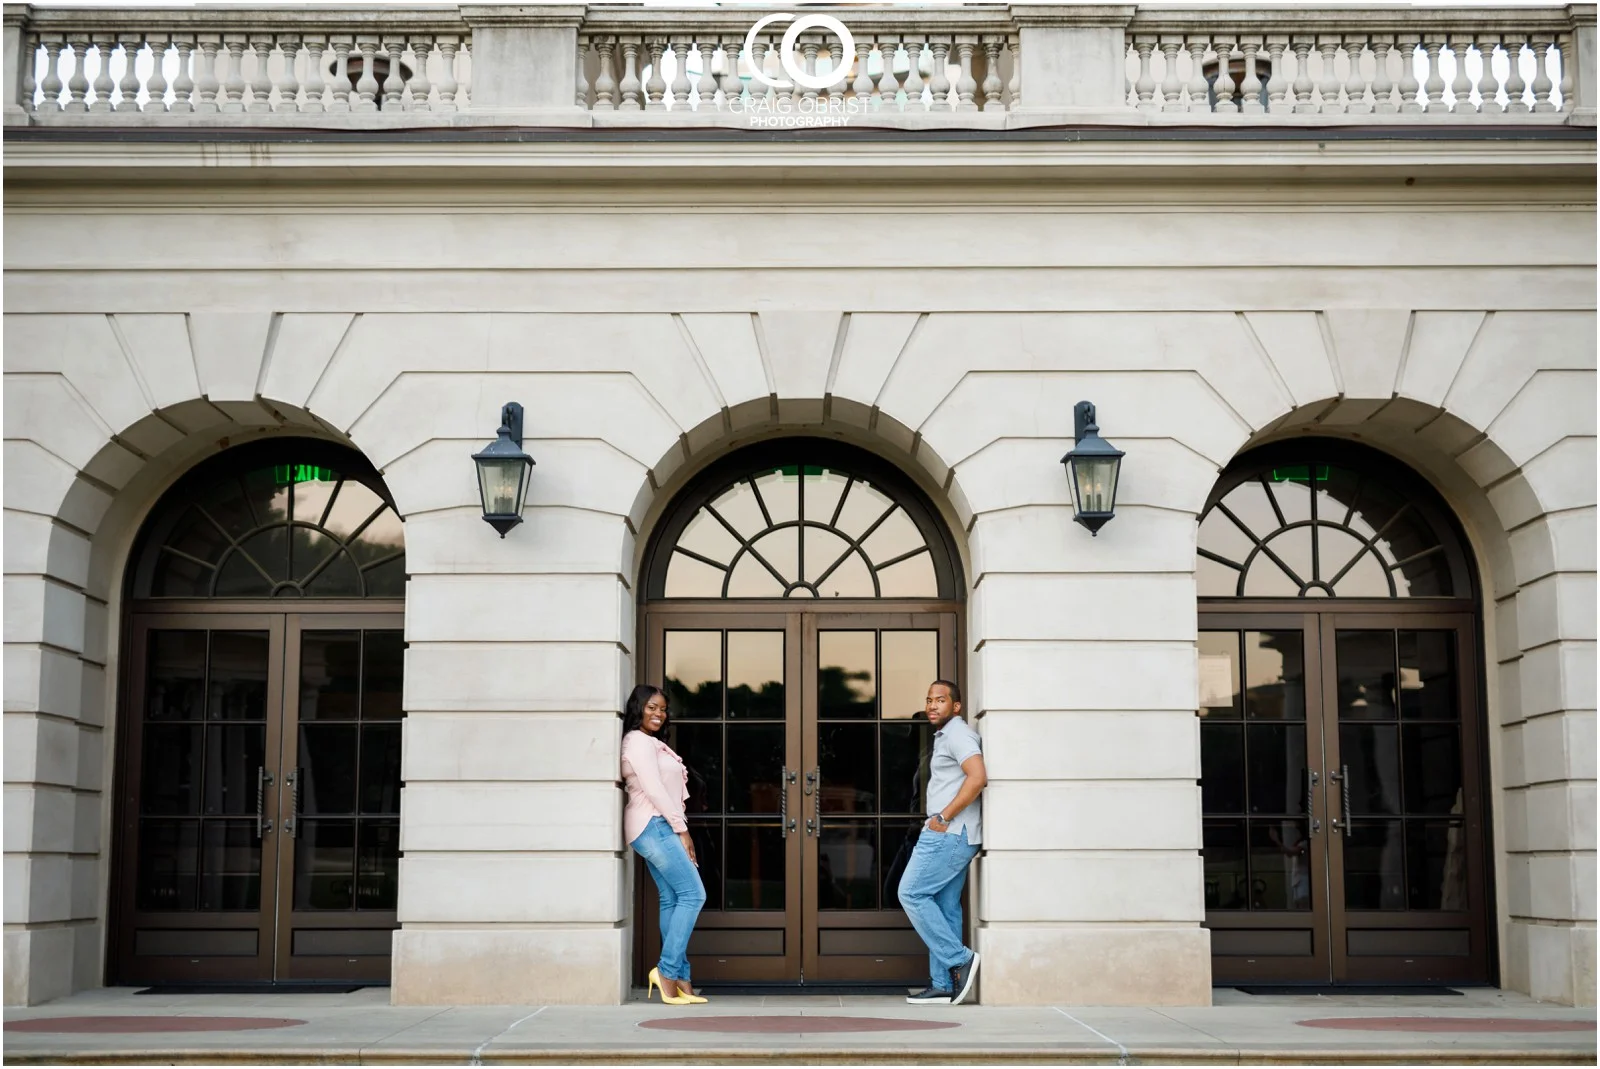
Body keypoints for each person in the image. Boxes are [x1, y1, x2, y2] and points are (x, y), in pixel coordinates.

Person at [898, 679, 986, 1006]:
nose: (933, 705)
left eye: (941, 700)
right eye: (929, 700)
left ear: (956, 706)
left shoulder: (959, 735)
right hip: (955, 834)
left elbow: (978, 777)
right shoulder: (947, 736)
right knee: (945, 905)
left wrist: (943, 816)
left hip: (948, 834)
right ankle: (944, 984)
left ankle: (958, 958)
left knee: (910, 892)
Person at [620, 684, 708, 1005]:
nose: (659, 714)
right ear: (638, 708)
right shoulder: (638, 742)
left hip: (656, 825)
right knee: (694, 894)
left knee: (672, 897)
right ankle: (667, 970)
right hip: (653, 825)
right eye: (652, 707)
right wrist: (682, 830)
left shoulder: (650, 743)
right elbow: (655, 789)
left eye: (663, 709)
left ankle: (681, 980)